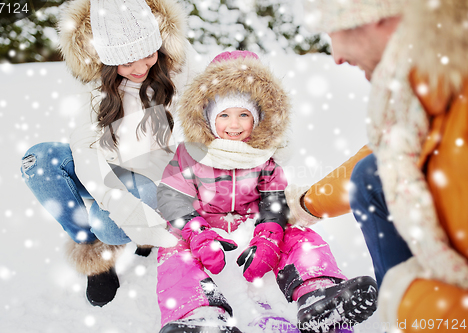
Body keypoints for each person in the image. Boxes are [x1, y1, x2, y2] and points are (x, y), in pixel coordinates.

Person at [155, 50, 378, 333]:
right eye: (224, 114)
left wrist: (269, 236)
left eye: (243, 115)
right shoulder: (190, 154)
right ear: (208, 117)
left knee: (299, 234)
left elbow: (273, 199)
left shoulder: (263, 157)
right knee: (171, 248)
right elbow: (171, 196)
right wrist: (197, 233)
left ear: (258, 118)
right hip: (205, 231)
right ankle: (197, 314)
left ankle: (318, 293)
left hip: (252, 227)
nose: (233, 125)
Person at [285, 0, 468, 329]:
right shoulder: (430, 87)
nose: (337, 56)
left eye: (335, 32)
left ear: (380, 18)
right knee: (371, 175)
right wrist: (305, 204)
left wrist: (406, 298)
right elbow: (381, 159)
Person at [20, 0, 202, 307]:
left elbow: (221, 103)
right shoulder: (97, 88)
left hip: (159, 174)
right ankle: (93, 250)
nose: (141, 68)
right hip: (112, 169)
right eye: (126, 62)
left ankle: (129, 228)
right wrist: (116, 202)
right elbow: (85, 154)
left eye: (148, 55)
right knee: (38, 161)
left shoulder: (181, 67)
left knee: (109, 225)